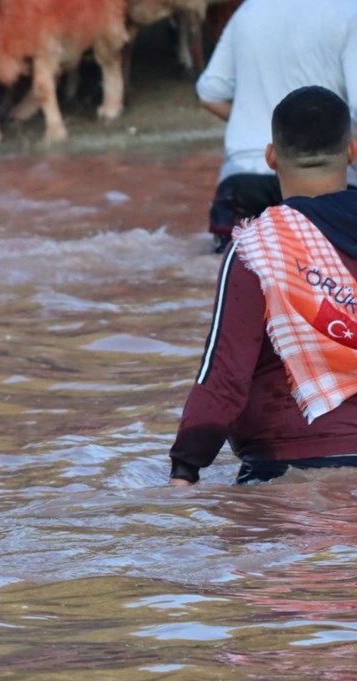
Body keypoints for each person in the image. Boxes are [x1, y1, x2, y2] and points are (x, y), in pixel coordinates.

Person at [169, 86, 357, 486]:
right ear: (352, 152)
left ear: (271, 157)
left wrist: (184, 470)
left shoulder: (257, 248)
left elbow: (223, 378)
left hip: (287, 474)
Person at [195, 0, 357, 254]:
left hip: (243, 179)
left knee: (231, 268)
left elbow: (209, 93)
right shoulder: (349, 10)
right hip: (329, 183)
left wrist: (277, 134)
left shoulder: (248, 11)